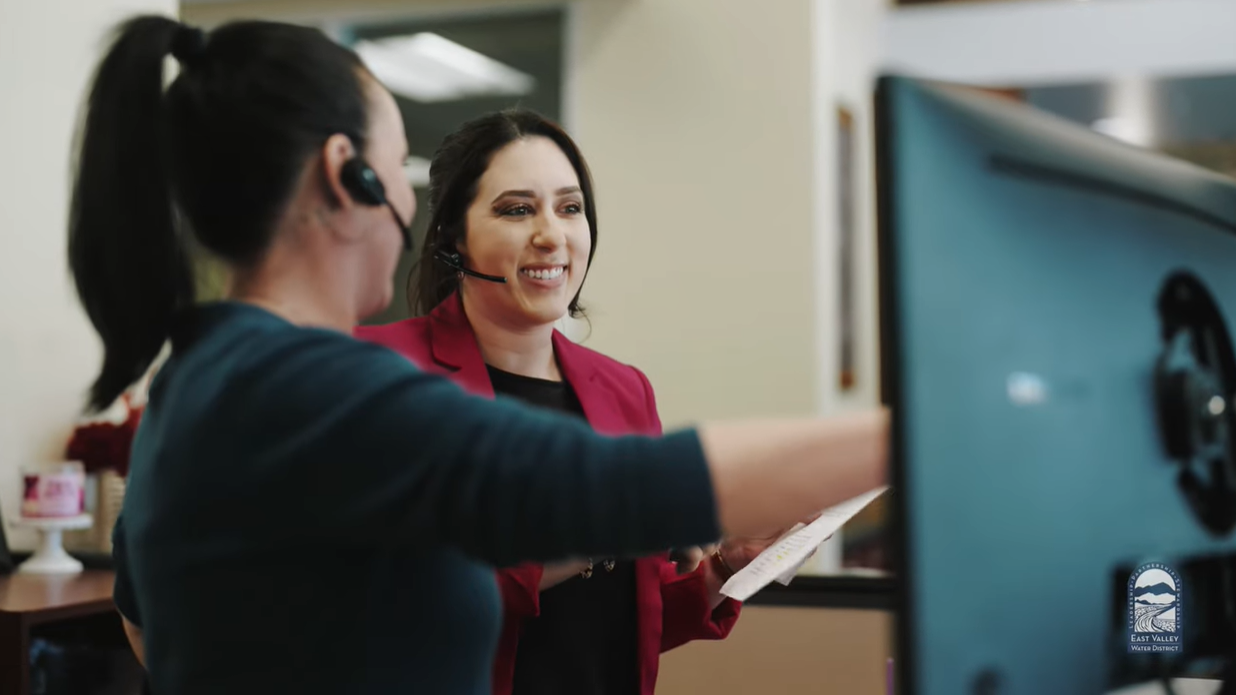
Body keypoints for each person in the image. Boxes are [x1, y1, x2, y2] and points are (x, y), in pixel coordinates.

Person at [68, 15, 887, 695]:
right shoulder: (318, 390)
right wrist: (912, 430)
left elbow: (146, 614)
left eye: (569, 208)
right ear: (344, 178)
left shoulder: (205, 372)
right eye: (397, 173)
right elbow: (625, 490)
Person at [356, 109, 788, 695]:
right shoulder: (383, 372)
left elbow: (628, 617)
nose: (551, 235)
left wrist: (723, 569)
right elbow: (420, 594)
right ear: (454, 234)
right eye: (516, 209)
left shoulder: (624, 390)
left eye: (570, 207)